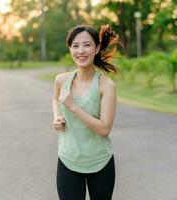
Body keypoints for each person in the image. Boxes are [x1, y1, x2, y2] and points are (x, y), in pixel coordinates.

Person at [52, 24, 122, 200]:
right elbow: (55, 99)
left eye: (87, 45)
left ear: (97, 48)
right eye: (75, 46)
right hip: (68, 159)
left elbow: (104, 128)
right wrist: (57, 117)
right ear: (70, 49)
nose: (80, 51)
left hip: (100, 162)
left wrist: (73, 106)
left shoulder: (106, 86)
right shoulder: (61, 80)